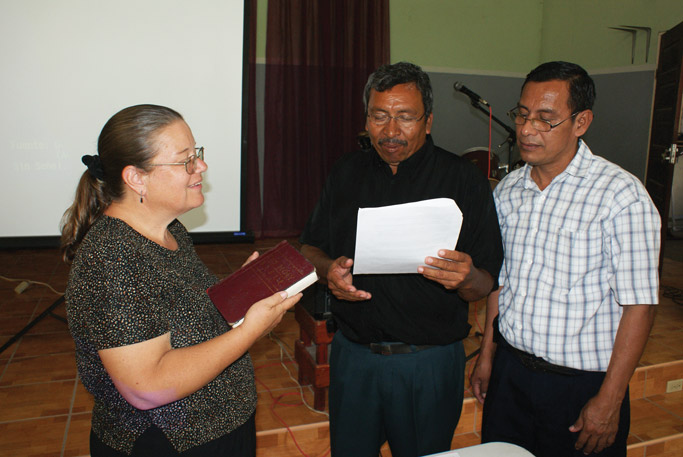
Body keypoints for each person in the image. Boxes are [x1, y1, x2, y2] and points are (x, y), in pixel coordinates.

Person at [60, 104, 301, 457]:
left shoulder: (170, 230)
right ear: (136, 178)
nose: (200, 166)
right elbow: (147, 387)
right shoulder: (111, 258)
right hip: (170, 443)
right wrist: (250, 330)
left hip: (221, 430)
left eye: (197, 154)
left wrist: (241, 289)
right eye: (185, 160)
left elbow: (180, 310)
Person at [300, 62, 503, 457]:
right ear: (367, 119)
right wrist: (329, 273)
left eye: (405, 117)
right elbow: (309, 248)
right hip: (354, 357)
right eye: (380, 116)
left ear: (428, 121)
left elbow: (486, 282)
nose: (391, 131)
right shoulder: (346, 172)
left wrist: (464, 278)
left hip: (427, 364)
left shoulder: (463, 179)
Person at [470, 61, 660, 457]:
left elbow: (639, 305)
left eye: (545, 119)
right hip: (511, 375)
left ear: (581, 122)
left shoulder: (619, 196)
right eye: (521, 114)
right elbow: (501, 284)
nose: (526, 129)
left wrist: (609, 399)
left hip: (581, 385)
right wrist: (488, 355)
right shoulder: (508, 192)